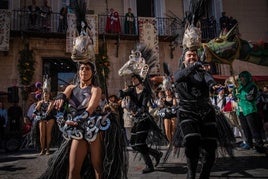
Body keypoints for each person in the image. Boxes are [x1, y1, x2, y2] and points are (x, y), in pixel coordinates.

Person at [40, 61, 127, 179]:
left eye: (87, 69)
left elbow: (90, 108)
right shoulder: (71, 87)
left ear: (92, 73)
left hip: (92, 129)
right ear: (78, 72)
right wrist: (60, 98)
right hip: (77, 131)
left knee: (98, 167)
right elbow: (63, 95)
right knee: (73, 170)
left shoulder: (95, 89)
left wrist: (79, 119)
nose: (84, 71)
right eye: (82, 69)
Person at [173, 48, 224, 179]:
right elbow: (177, 78)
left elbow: (209, 80)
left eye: (194, 56)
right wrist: (194, 66)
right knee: (191, 141)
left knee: (211, 148)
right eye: (189, 55)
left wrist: (214, 86)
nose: (192, 58)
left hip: (206, 111)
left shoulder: (203, 72)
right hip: (187, 112)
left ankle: (205, 174)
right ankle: (191, 174)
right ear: (183, 59)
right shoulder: (179, 72)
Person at [119, 74, 163, 174]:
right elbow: (121, 95)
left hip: (144, 119)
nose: (133, 80)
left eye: (134, 78)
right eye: (132, 79)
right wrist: (122, 91)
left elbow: (143, 106)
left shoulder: (145, 91)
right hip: (136, 120)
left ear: (139, 79)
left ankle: (149, 165)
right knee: (134, 144)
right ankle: (156, 154)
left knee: (140, 143)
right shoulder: (131, 90)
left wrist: (137, 112)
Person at [235, 71, 266, 153]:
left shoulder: (252, 86)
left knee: (253, 129)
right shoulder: (239, 87)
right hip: (241, 111)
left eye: (243, 77)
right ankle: (249, 143)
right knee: (245, 129)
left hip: (250, 110)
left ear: (248, 78)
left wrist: (240, 95)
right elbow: (236, 98)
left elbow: (250, 97)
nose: (242, 79)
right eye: (241, 77)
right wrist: (235, 93)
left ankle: (260, 146)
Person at [34, 90, 55, 155]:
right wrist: (37, 108)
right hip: (42, 118)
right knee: (42, 135)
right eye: (44, 94)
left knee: (48, 134)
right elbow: (36, 109)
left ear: (49, 95)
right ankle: (42, 149)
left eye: (47, 94)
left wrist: (45, 114)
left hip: (49, 118)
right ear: (43, 95)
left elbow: (49, 110)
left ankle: (48, 149)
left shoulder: (51, 102)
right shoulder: (40, 102)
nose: (46, 95)